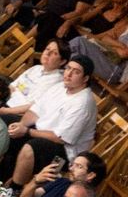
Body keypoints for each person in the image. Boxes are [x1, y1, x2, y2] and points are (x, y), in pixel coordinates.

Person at [6, 56, 97, 186]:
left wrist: (26, 131)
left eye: (76, 72)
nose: (69, 74)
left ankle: (14, 190)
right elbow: (34, 111)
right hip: (40, 132)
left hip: (65, 153)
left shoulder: (83, 103)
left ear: (85, 79)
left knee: (30, 147)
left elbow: (60, 138)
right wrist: (20, 125)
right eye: (68, 69)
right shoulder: (60, 86)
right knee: (7, 123)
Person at [0, 38, 69, 120]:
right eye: (47, 49)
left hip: (17, 114)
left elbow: (32, 107)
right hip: (7, 101)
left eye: (55, 53)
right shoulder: (36, 68)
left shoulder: (57, 82)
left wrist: (6, 111)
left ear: (62, 61)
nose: (48, 53)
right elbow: (12, 86)